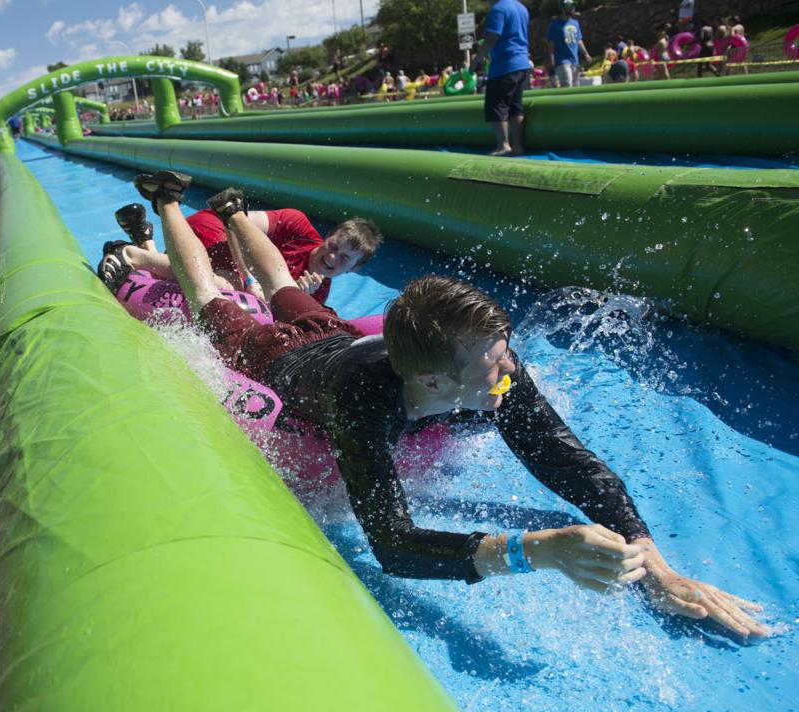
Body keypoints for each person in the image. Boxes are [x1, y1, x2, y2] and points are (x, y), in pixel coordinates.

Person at [130, 168, 770, 638]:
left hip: (333, 335)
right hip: (289, 366)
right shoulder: (363, 404)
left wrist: (652, 558)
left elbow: (573, 463)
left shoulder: (488, 370)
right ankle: (167, 200)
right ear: (435, 385)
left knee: (284, 286)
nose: (510, 370)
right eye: (493, 361)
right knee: (210, 298)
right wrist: (536, 549)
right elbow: (393, 544)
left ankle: (236, 211)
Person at [98, 200, 380, 307]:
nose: (332, 257)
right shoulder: (297, 227)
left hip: (225, 267)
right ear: (329, 234)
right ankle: (131, 255)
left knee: (226, 286)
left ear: (353, 270)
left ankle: (144, 240)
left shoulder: (317, 293)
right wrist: (249, 280)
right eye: (333, 246)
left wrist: (297, 297)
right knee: (226, 283)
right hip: (217, 233)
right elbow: (233, 220)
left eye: (344, 259)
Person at [471, 0, 533, 155]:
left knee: (497, 105)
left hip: (504, 65)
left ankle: (503, 145)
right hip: (522, 64)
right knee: (516, 106)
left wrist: (476, 61)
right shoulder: (521, 8)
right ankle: (518, 146)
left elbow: (492, 38)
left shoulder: (498, 9)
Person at [547, 0, 592, 88]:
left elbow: (579, 40)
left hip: (575, 61)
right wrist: (551, 60)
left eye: (573, 6)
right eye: (570, 6)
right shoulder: (554, 26)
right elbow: (551, 45)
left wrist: (586, 54)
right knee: (567, 86)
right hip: (562, 61)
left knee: (576, 87)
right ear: (563, 8)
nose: (573, 8)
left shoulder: (575, 23)